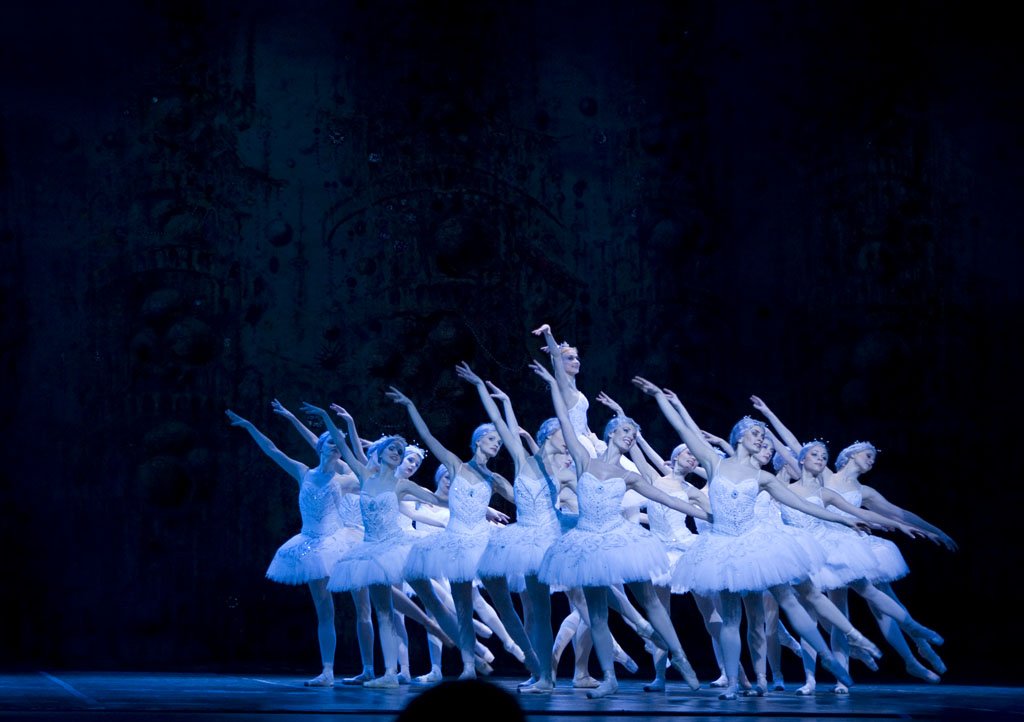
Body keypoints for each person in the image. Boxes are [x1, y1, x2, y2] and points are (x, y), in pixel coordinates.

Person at [631, 378, 882, 700]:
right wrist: (660, 398)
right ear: (739, 436)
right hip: (723, 547)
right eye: (755, 433)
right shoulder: (714, 462)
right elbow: (684, 429)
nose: (760, 437)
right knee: (731, 618)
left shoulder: (762, 476)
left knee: (788, 599)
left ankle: (830, 656)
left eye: (763, 435)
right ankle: (733, 683)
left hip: (755, 544)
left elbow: (804, 505)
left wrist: (847, 519)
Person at [533, 360, 708, 699]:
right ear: (611, 433)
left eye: (634, 434)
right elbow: (566, 421)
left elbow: (665, 498)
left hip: (619, 538)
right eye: (626, 431)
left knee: (650, 601)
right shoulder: (584, 460)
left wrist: (703, 513)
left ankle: (681, 657)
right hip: (588, 540)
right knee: (597, 614)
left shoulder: (629, 476)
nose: (630, 436)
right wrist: (554, 383)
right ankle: (609, 677)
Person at [300, 403, 449, 689]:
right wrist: (333, 420)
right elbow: (338, 446)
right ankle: (393, 670)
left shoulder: (388, 482)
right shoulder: (356, 475)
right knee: (386, 611)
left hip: (386, 544)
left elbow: (423, 502)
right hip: (362, 547)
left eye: (409, 459)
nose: (407, 462)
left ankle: (450, 646)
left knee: (415, 602)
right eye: (400, 455)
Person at [225, 407, 360, 687]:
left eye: (339, 444)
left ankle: (367, 667)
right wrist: (250, 425)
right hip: (309, 544)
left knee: (354, 604)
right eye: (331, 442)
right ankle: (327, 671)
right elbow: (272, 450)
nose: (335, 446)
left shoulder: (345, 480)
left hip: (335, 543)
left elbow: (373, 481)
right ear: (320, 446)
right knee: (324, 609)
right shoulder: (303, 472)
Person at [386, 385, 513, 680]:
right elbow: (425, 441)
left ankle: (505, 647)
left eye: (499, 441)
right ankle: (463, 659)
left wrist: (487, 511)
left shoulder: (486, 479)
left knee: (474, 601)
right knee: (443, 603)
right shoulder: (443, 473)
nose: (497, 445)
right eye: (492, 439)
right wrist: (409, 407)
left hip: (459, 547)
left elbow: (460, 502)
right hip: (432, 546)